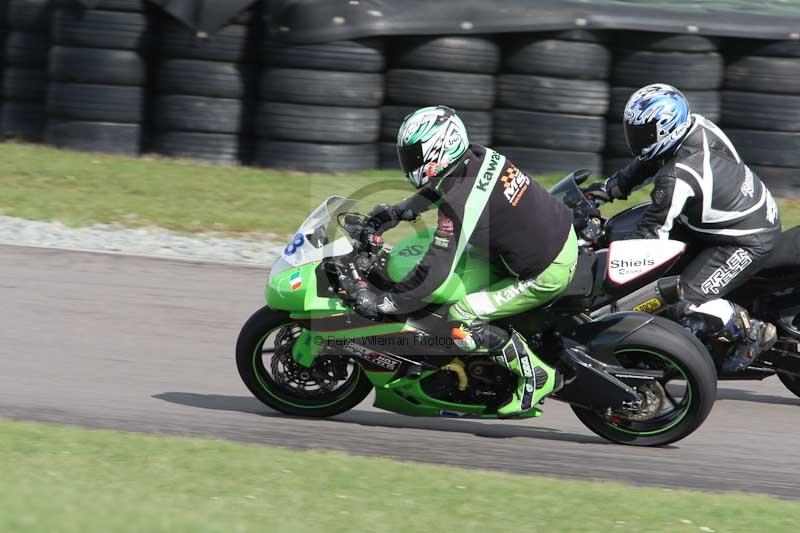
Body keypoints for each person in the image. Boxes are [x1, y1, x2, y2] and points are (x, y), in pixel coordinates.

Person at [352, 105, 579, 417]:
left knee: (462, 314)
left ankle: (536, 375)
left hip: (545, 270)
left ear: (440, 150)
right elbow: (440, 189)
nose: (409, 164)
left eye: (415, 156)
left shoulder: (462, 203)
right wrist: (397, 213)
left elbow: (437, 274)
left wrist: (387, 302)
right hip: (543, 241)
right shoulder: (475, 156)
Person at [587, 83, 781, 372]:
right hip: (730, 215)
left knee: (677, 302)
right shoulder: (699, 126)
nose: (636, 140)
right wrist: (606, 190)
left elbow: (650, 240)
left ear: (667, 129)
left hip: (746, 240)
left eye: (644, 133)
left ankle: (751, 329)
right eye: (633, 131)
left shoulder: (677, 177)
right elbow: (648, 160)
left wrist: (613, 275)